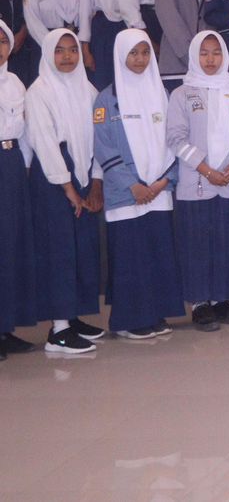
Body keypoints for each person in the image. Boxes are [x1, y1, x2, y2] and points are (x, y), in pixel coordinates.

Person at [93, 29, 185, 340]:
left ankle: (155, 313)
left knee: (157, 253)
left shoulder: (162, 94)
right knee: (131, 258)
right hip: (126, 195)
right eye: (133, 53)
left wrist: (162, 182)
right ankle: (130, 321)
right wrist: (133, 186)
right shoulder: (107, 99)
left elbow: (174, 141)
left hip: (158, 192)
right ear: (120, 54)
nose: (140, 59)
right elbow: (104, 147)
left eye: (145, 52)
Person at [25, 29, 103, 354]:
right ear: (48, 54)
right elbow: (44, 142)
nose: (68, 56)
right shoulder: (38, 91)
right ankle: (58, 331)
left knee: (80, 249)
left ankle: (72, 317)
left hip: (82, 172)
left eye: (73, 49)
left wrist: (95, 180)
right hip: (53, 178)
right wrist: (68, 187)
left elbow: (100, 136)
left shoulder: (88, 89)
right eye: (60, 50)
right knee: (59, 251)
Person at [166, 30, 229, 332]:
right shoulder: (182, 93)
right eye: (204, 53)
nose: (210, 59)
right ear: (194, 56)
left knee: (227, 241)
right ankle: (201, 304)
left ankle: (222, 300)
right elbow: (175, 138)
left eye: (216, 52)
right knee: (197, 244)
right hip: (196, 181)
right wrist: (207, 169)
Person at [0, 22, 35, 358]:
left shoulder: (15, 83)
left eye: (2, 41)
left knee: (10, 245)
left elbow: (24, 133)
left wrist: (24, 169)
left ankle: (5, 326)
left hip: (11, 164)